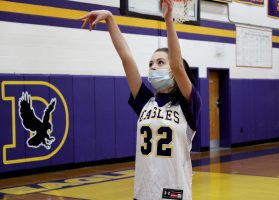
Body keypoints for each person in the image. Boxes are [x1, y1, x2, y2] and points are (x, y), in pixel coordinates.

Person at [80, 0, 201, 199]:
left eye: (160, 62)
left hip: (173, 194)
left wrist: (168, 20)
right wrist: (110, 19)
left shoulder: (189, 103)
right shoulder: (146, 101)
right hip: (143, 192)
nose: (153, 66)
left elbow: (177, 65)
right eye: (151, 63)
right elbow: (126, 57)